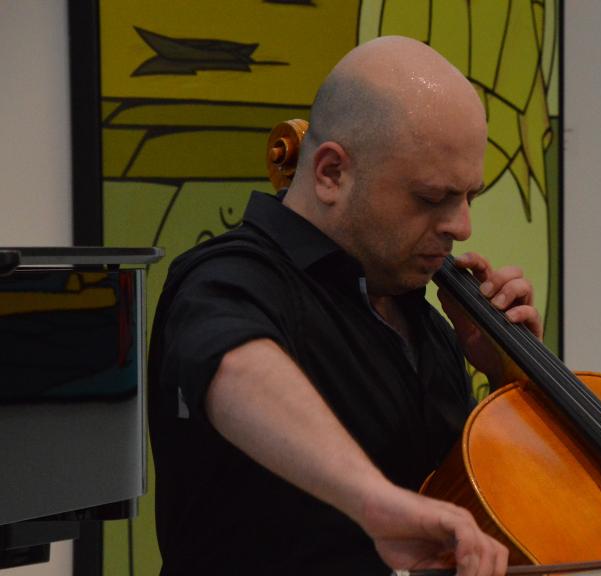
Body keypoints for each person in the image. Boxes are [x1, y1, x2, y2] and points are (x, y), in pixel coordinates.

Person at [147, 36, 541, 576]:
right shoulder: (229, 276)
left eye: (469, 196)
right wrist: (375, 502)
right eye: (431, 198)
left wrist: (512, 382)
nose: (461, 226)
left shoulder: (426, 319)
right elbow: (233, 366)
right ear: (332, 173)